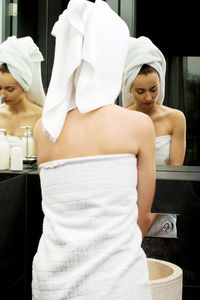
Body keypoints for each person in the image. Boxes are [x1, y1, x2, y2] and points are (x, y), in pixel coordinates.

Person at [32, 1, 155, 299]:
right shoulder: (137, 126)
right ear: (114, 62)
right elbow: (142, 219)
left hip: (52, 282)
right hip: (118, 284)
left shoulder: (43, 129)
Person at [122, 36, 186, 237]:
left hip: (163, 206)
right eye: (140, 91)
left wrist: (150, 219)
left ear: (161, 83)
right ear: (129, 88)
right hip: (129, 207)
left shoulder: (175, 119)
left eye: (154, 89)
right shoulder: (121, 118)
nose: (149, 97)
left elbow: (174, 175)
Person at [0, 36, 45, 151]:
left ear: (24, 87)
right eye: (0, 89)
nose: (3, 95)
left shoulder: (41, 117)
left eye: (10, 89)